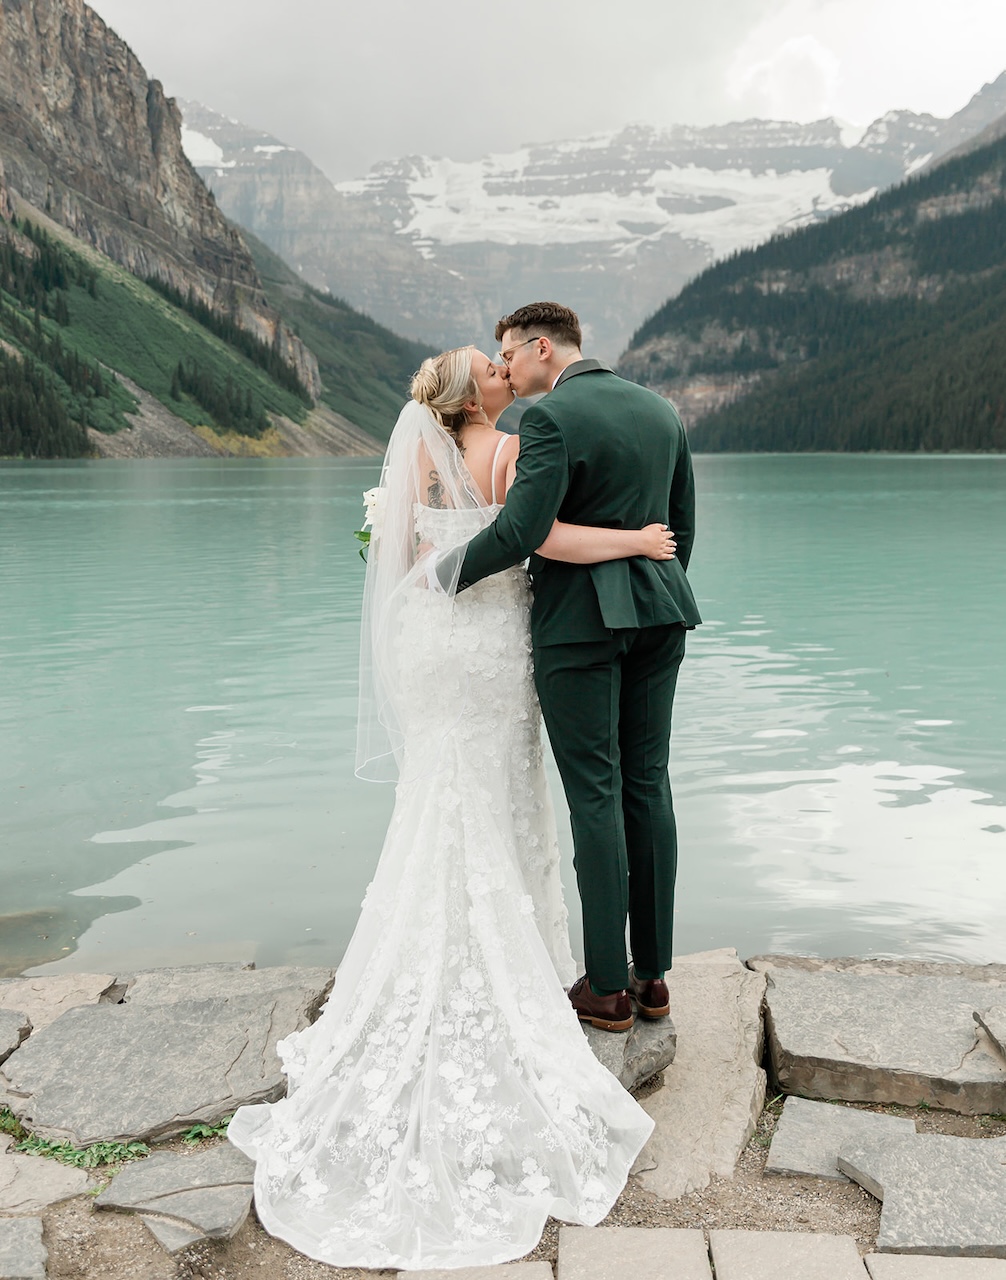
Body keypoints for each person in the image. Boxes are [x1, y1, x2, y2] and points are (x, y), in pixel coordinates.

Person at [228, 344, 677, 1270]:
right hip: (491, 641)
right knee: (509, 793)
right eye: (491, 364)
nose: (505, 367)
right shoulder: (512, 449)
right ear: (478, 391)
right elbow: (536, 541)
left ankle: (423, 954)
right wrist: (637, 542)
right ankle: (544, 957)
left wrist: (425, 592)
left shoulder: (417, 459)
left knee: (435, 799)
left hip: (428, 639)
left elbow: (398, 564)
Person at [445, 302, 701, 1034]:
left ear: (541, 347)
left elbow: (523, 531)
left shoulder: (550, 420)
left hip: (579, 627)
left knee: (595, 790)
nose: (507, 370)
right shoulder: (662, 412)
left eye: (510, 355)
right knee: (648, 784)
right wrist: (656, 593)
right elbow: (680, 529)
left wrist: (440, 575)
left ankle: (607, 988)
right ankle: (653, 979)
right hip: (661, 614)